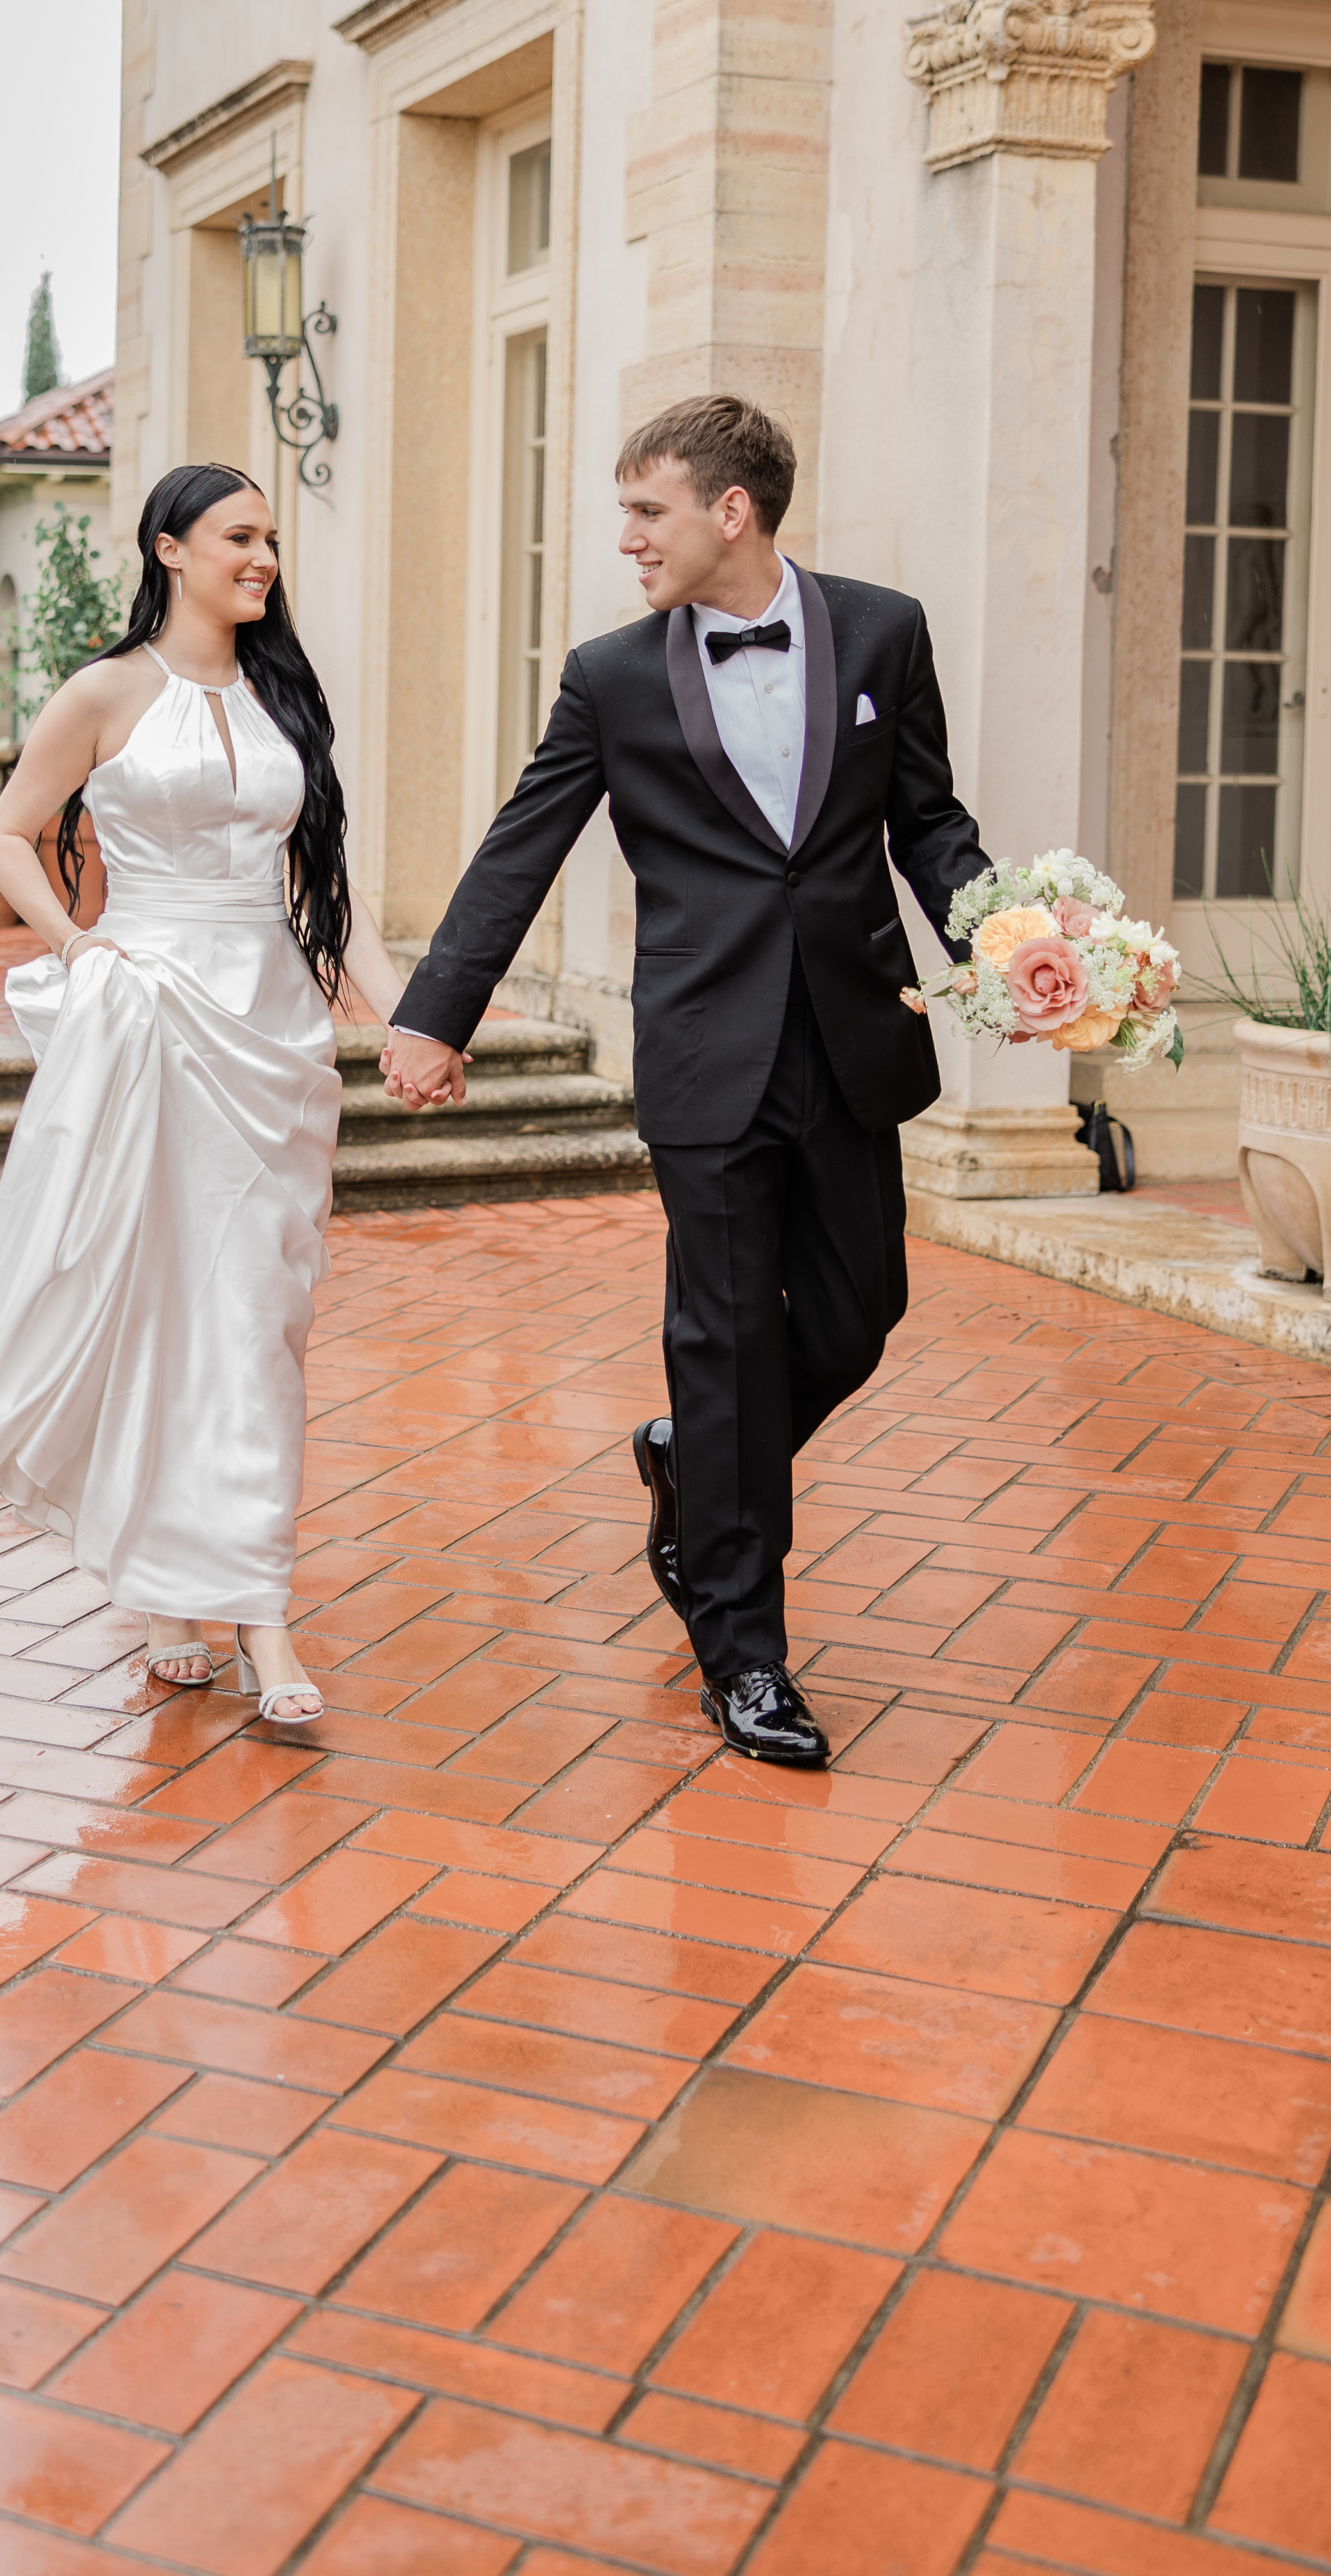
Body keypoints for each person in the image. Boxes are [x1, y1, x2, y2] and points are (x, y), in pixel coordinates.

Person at [384, 394, 990, 1770]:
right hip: (707, 1055)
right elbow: (519, 845)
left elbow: (929, 822)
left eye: (645, 511)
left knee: (856, 1314)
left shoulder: (881, 630)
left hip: (848, 1040)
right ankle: (744, 1653)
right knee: (720, 1342)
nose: (624, 539)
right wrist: (438, 1015)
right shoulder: (612, 675)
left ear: (732, 511)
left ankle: (694, 1457)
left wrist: (1019, 946)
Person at [0, 462, 409, 1726]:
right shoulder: (105, 692)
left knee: (254, 1317)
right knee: (173, 1310)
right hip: (152, 1023)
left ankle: (206, 1587)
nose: (263, 558)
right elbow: (11, 829)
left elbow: (329, 892)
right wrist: (76, 945)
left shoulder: (285, 698)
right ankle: (243, 1615)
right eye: (239, 536)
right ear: (168, 549)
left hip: (272, 1038)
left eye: (270, 539)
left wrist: (408, 1019)